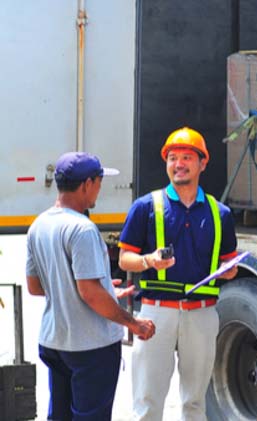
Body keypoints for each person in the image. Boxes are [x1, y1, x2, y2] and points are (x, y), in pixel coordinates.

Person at [118, 127, 239, 420]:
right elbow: (124, 259)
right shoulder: (145, 206)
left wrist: (230, 271)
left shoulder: (219, 213)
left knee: (195, 403)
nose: (179, 164)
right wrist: (148, 260)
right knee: (147, 403)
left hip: (201, 313)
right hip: (156, 314)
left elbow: (230, 265)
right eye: (173, 158)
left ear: (202, 164)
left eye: (186, 157)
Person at [26, 152, 156, 421]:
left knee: (59, 416)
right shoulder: (82, 229)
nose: (99, 189)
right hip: (89, 347)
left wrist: (106, 290)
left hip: (55, 342)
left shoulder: (38, 225)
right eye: (98, 182)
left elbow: (36, 287)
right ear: (86, 184)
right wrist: (133, 323)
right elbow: (89, 292)